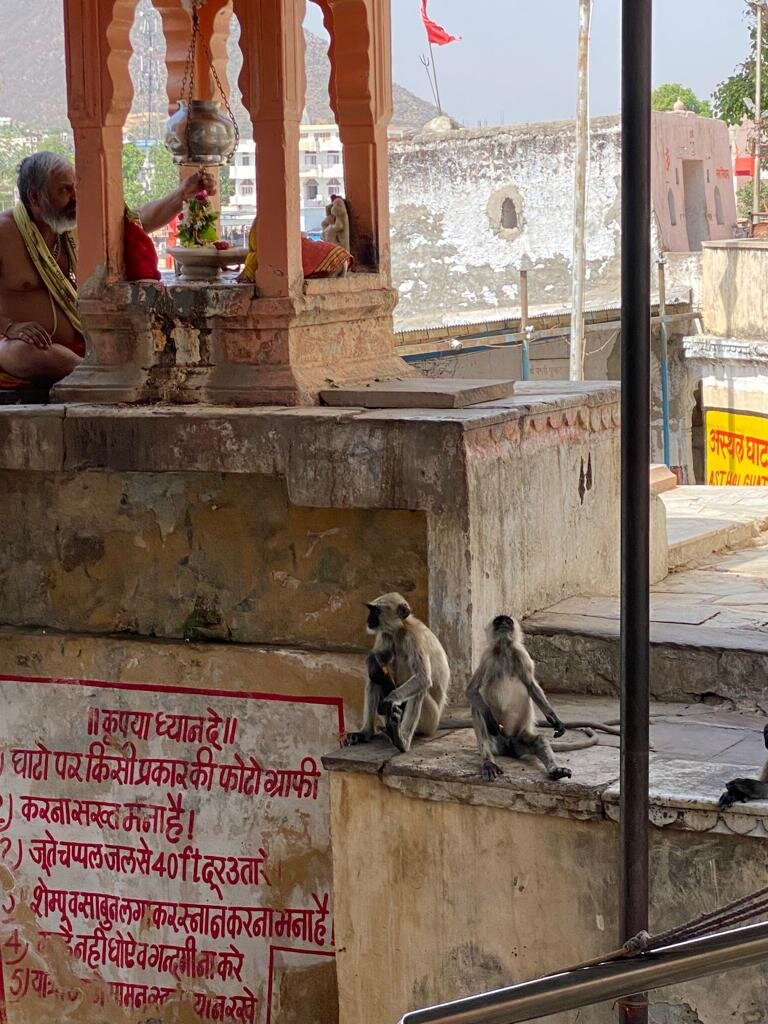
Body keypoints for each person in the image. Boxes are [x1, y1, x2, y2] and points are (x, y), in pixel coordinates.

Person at [0, 151, 215, 389]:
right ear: (34, 197)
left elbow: (137, 222)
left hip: (86, 343)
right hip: (23, 346)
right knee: (22, 353)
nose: (75, 198)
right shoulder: (4, 233)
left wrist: (182, 194)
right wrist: (11, 327)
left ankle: (95, 370)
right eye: (63, 191)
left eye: (75, 188)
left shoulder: (73, 224)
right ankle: (96, 373)